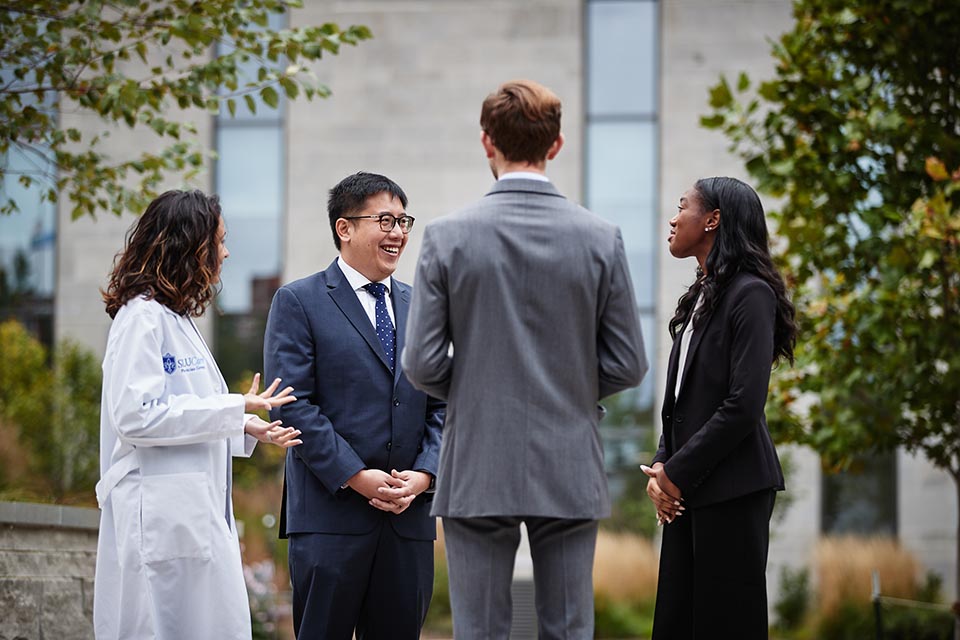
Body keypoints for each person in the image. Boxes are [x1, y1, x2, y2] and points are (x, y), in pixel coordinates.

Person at [402, 79, 649, 640]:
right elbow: (629, 362)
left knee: (480, 631)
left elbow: (421, 363)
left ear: (486, 141)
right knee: (568, 629)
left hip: (477, 458)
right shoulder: (599, 237)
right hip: (568, 456)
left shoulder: (446, 237)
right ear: (556, 144)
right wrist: (570, 391)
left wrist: (476, 391)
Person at [94, 189, 302, 640]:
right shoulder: (140, 317)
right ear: (189, 246)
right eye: (219, 241)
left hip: (186, 518)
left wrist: (241, 425)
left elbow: (181, 410)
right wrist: (233, 406)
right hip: (158, 523)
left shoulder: (176, 319)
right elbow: (136, 416)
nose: (226, 253)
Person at [263, 171, 445, 640]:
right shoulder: (298, 301)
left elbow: (445, 405)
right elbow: (291, 405)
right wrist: (357, 476)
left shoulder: (424, 307)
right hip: (330, 520)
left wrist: (425, 475)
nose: (398, 232)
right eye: (385, 220)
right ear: (344, 228)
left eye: (403, 221)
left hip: (407, 521)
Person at [642, 176, 797, 639]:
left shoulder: (751, 293)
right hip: (688, 489)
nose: (673, 219)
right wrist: (662, 465)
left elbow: (742, 404)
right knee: (677, 622)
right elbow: (682, 401)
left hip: (733, 488)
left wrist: (675, 473)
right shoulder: (701, 296)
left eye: (682, 207)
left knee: (725, 625)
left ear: (712, 220)